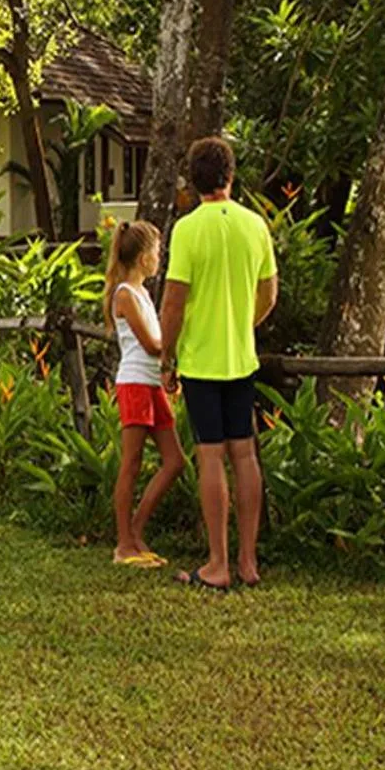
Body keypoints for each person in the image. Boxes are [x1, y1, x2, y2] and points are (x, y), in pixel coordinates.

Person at [159, 136, 276, 591]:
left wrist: (167, 356)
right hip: (241, 358)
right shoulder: (254, 225)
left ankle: (217, 563)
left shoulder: (188, 229)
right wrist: (243, 323)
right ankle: (248, 561)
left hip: (202, 361)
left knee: (211, 456)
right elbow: (269, 292)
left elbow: (173, 302)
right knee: (244, 454)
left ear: (193, 179)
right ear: (230, 175)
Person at [104, 219, 186, 568]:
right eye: (156, 251)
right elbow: (152, 344)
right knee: (132, 464)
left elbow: (158, 349)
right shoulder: (124, 294)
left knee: (175, 461)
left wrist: (169, 369)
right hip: (135, 384)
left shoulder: (143, 295)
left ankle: (136, 531)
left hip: (151, 384)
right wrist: (179, 341)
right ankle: (124, 545)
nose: (160, 257)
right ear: (142, 258)